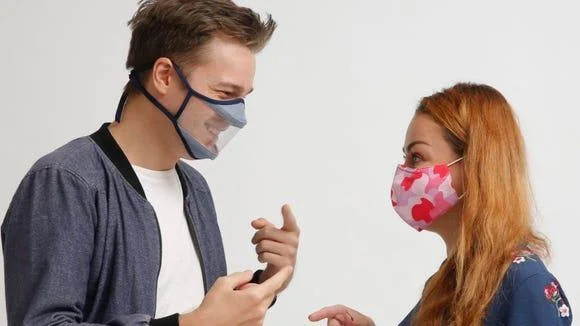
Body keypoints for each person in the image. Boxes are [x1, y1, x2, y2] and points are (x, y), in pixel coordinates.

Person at [1, 0, 300, 325]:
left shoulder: (195, 189)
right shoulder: (66, 182)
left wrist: (269, 280)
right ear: (164, 76)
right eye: (225, 93)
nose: (234, 116)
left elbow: (201, 312)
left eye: (242, 98)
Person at [309, 83, 573, 325]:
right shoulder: (448, 282)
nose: (404, 172)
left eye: (417, 157)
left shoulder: (524, 284)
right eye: (406, 157)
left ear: (474, 167)